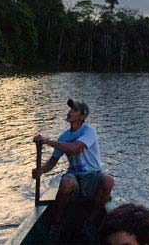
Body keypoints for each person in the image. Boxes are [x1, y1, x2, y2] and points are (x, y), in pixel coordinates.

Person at [32, 98, 114, 234]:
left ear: (82, 116)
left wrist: (47, 141)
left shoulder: (89, 131)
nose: (70, 112)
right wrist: (40, 171)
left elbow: (75, 148)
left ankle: (91, 221)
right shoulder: (64, 137)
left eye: (75, 110)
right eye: (70, 109)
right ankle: (57, 223)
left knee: (108, 181)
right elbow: (53, 161)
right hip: (75, 175)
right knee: (67, 183)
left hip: (93, 176)